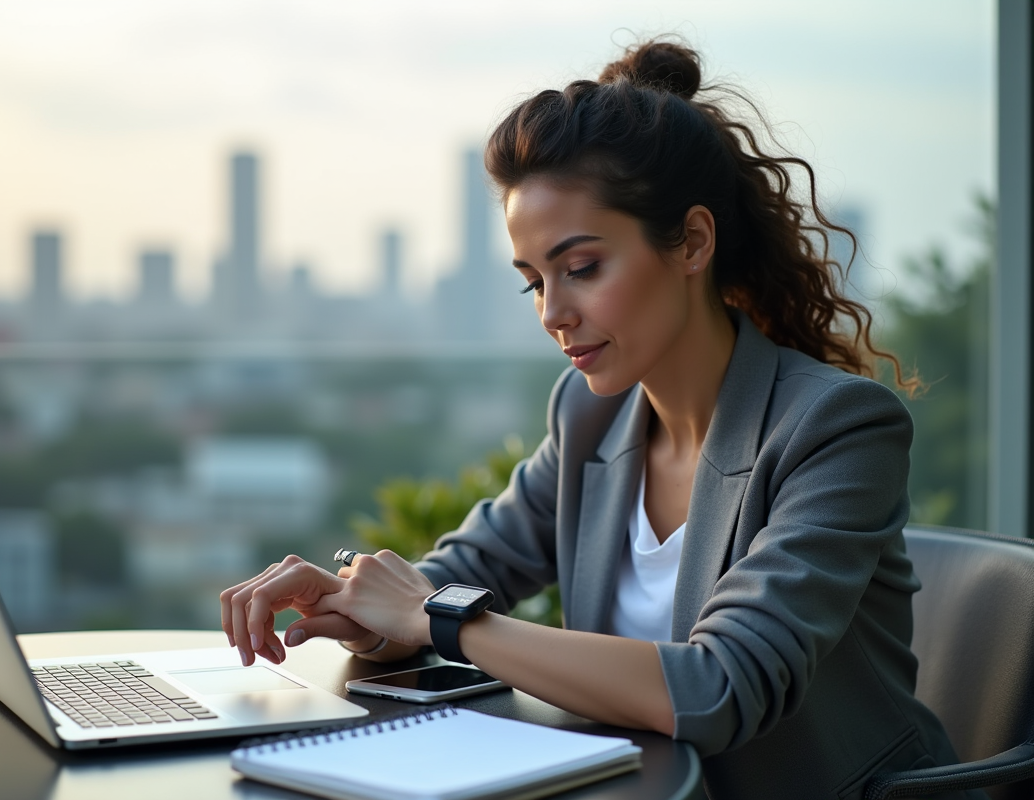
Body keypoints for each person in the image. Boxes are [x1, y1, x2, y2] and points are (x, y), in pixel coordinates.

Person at [220, 40, 977, 799]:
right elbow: (469, 570)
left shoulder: (837, 428)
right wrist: (363, 611)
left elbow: (722, 686)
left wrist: (434, 616)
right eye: (534, 283)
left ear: (692, 243)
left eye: (581, 268)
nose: (554, 313)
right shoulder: (590, 415)